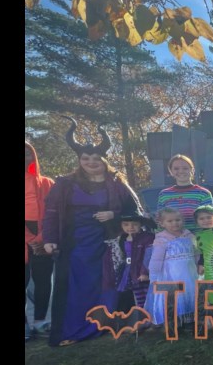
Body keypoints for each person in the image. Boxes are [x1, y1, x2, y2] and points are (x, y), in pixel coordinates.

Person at [42, 120, 142, 347]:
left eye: (96, 159)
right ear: (79, 161)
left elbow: (135, 212)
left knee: (108, 283)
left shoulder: (116, 182)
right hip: (75, 245)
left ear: (104, 160)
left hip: (108, 243)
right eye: (86, 159)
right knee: (77, 287)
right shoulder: (65, 184)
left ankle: (107, 324)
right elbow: (50, 212)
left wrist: (114, 215)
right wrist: (49, 239)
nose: (91, 163)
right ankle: (74, 330)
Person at [146, 207, 199, 329]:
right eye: (170, 221)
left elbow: (196, 252)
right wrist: (154, 276)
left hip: (189, 272)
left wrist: (197, 265)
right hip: (171, 275)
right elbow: (156, 259)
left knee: (190, 294)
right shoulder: (161, 239)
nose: (175, 223)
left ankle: (189, 319)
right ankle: (174, 321)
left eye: (178, 220)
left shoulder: (189, 235)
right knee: (175, 297)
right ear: (162, 223)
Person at [25, 141, 55, 340]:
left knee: (44, 282)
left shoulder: (47, 183)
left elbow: (54, 213)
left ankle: (40, 321)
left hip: (43, 238)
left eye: (27, 153)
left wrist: (41, 238)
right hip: (27, 236)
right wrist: (30, 239)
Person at [102, 211, 156, 311]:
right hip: (129, 272)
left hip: (141, 273)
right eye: (126, 224)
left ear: (141, 224)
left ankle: (149, 319)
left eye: (134, 224)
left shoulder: (148, 238)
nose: (130, 227)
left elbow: (149, 256)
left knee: (147, 296)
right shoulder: (121, 239)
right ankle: (139, 319)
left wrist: (144, 272)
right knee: (134, 297)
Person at [156, 154, 213, 232]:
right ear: (171, 171)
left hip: (198, 240)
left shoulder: (203, 193)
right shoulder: (164, 194)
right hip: (173, 241)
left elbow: (211, 220)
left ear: (192, 170)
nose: (181, 171)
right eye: (176, 168)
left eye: (185, 168)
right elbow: (160, 220)